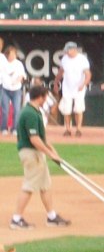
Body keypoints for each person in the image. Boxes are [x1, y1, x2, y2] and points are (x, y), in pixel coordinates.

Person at [10, 85, 71, 230]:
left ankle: (51, 217)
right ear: (40, 97)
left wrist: (53, 152)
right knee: (29, 186)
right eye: (46, 97)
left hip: (36, 153)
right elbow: (35, 139)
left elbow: (42, 138)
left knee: (45, 185)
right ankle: (16, 219)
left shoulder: (34, 111)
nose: (47, 100)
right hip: (31, 153)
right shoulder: (30, 113)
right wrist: (49, 154)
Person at [54, 41, 91, 137]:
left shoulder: (82, 59)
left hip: (79, 87)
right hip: (67, 87)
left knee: (78, 109)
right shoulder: (64, 59)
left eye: (68, 50)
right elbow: (61, 72)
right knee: (67, 109)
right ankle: (68, 129)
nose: (66, 52)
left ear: (74, 49)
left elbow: (88, 74)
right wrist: (56, 82)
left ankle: (78, 129)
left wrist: (84, 84)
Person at [1, 46, 26, 136]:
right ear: (7, 55)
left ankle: (15, 128)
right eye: (11, 54)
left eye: (14, 54)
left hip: (16, 90)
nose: (13, 56)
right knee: (5, 110)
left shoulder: (18, 64)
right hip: (5, 89)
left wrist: (17, 81)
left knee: (17, 109)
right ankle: (3, 128)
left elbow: (22, 75)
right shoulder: (3, 64)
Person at [0, 37, 7, 128]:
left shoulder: (2, 58)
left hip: (1, 84)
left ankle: (3, 128)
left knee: (3, 107)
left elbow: (7, 71)